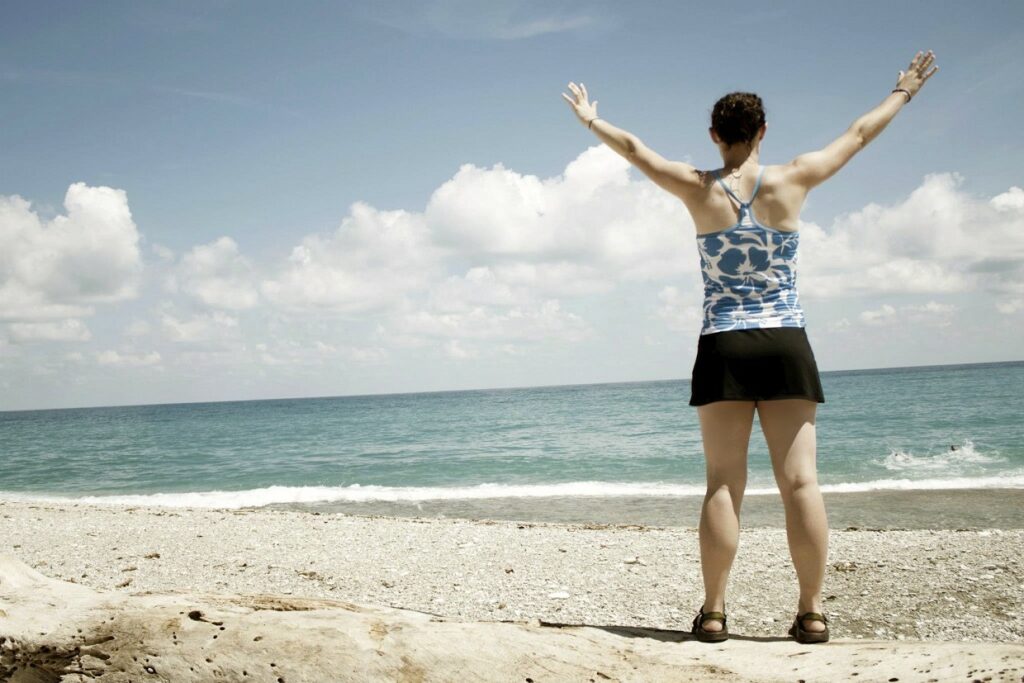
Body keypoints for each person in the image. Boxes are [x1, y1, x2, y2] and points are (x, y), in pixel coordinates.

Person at [562, 50, 938, 644]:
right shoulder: (794, 178)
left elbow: (635, 150)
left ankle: (714, 613)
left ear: (714, 135)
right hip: (786, 341)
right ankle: (811, 613)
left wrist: (590, 120)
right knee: (801, 483)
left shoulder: (696, 187)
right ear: (763, 131)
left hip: (724, 343)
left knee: (722, 484)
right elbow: (859, 135)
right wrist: (904, 92)